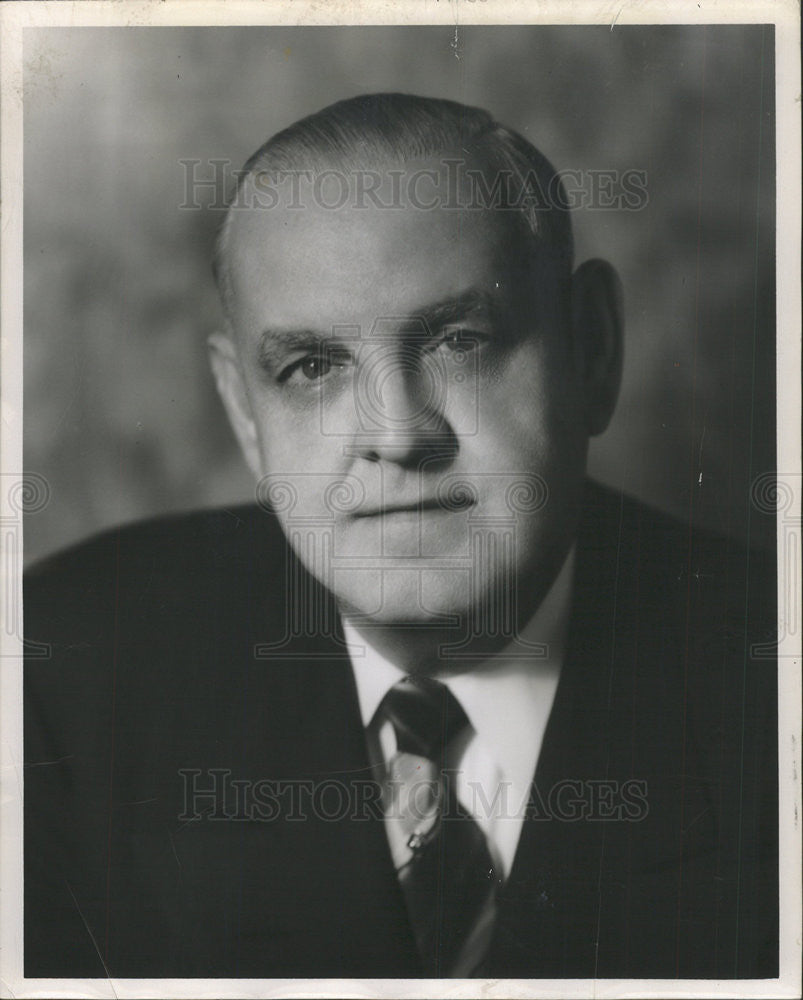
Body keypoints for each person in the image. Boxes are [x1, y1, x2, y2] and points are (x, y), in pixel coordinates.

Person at [24, 93, 777, 980]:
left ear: (592, 347)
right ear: (243, 412)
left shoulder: (770, 691)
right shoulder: (65, 672)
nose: (398, 433)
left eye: (460, 339)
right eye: (311, 368)